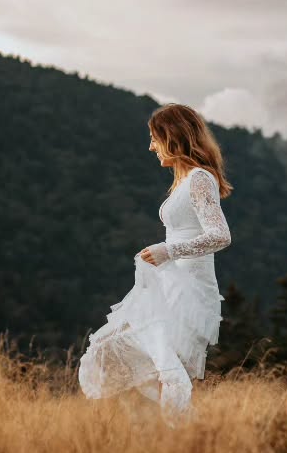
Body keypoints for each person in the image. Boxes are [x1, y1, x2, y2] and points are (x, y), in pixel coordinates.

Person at [78, 104, 232, 418]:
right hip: (171, 285)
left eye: (154, 138)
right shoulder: (186, 180)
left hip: (188, 292)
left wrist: (167, 252)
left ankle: (179, 440)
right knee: (144, 363)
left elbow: (221, 236)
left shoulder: (200, 179)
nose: (151, 146)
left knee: (167, 371)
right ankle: (161, 441)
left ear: (173, 137)